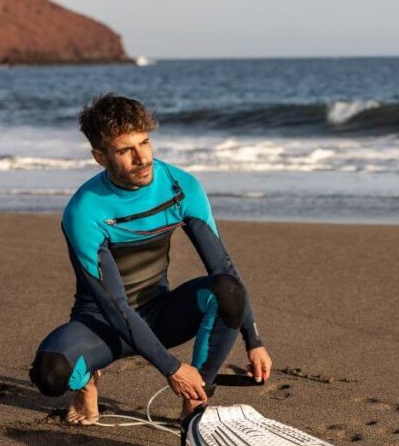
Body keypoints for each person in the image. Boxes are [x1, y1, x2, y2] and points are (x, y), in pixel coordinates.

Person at [29, 93, 271, 424]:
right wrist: (172, 368)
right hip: (102, 325)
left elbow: (222, 267)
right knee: (50, 373)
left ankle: (195, 399)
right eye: (125, 150)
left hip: (159, 315)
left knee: (227, 291)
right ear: (100, 157)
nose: (142, 158)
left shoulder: (180, 186)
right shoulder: (85, 211)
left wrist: (253, 340)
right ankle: (86, 384)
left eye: (144, 142)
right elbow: (114, 306)